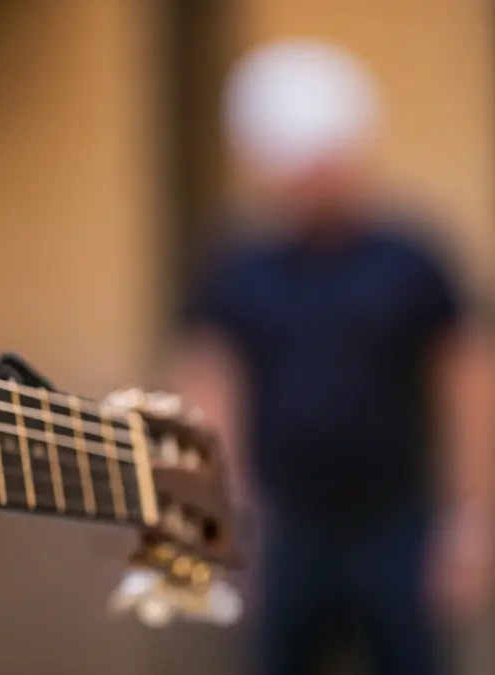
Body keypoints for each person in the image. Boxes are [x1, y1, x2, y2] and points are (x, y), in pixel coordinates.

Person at [170, 40, 493, 675]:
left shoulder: (413, 260)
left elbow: (468, 387)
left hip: (398, 527)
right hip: (286, 532)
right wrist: (220, 517)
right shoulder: (238, 268)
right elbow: (208, 389)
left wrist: (470, 523)